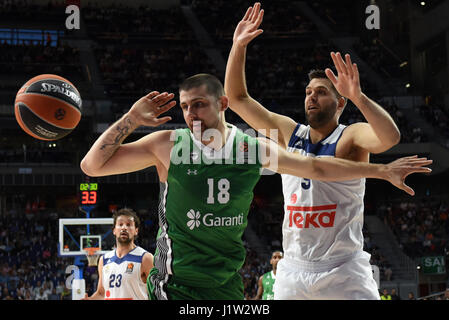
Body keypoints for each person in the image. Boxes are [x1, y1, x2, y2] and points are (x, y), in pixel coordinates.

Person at [80, 73, 430, 300]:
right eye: (185, 106)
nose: (191, 114)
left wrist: (381, 170)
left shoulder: (251, 148)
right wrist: (131, 119)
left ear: (222, 105)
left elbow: (315, 166)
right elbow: (91, 165)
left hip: (227, 284)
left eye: (199, 104)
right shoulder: (168, 144)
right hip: (177, 283)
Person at [224, 3, 430, 300]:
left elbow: (389, 137)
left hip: (343, 268)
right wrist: (238, 46)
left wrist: (358, 96)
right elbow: (236, 98)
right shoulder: (288, 132)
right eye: (309, 92)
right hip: (294, 268)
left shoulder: (350, 136)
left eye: (321, 92)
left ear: (340, 102)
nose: (312, 97)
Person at [82, 208, 153, 300]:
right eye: (120, 224)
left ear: (136, 231)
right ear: (114, 230)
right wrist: (90, 299)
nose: (124, 228)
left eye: (129, 225)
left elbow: (157, 292)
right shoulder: (104, 260)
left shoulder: (145, 258)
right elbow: (101, 293)